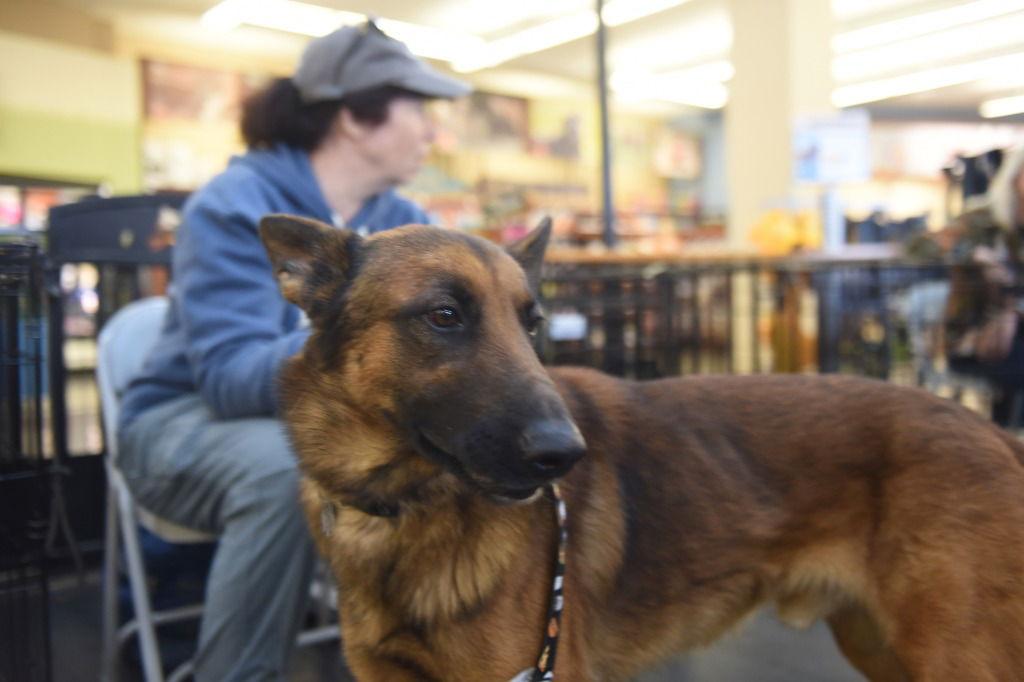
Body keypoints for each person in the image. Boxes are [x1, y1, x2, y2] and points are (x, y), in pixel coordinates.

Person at [116, 21, 469, 681]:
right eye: (419, 109)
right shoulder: (235, 206)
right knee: (286, 469)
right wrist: (371, 342)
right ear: (356, 119)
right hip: (178, 424)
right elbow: (228, 379)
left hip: (322, 419)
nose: (432, 130)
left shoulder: (404, 221)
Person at [909, 145, 1024, 425]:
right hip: (976, 338)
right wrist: (970, 256)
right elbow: (918, 249)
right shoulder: (981, 220)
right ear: (1014, 178)